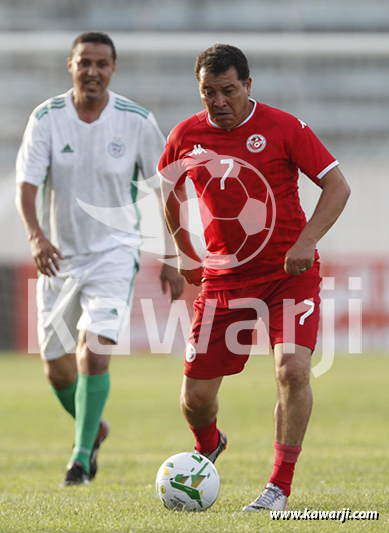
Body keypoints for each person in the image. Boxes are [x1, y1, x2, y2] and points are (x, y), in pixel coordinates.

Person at [158, 44, 350, 510]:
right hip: (224, 281)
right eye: (208, 92)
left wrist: (306, 242)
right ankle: (208, 445)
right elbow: (167, 189)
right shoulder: (186, 135)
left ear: (248, 85)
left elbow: (337, 186)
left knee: (293, 369)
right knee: (195, 398)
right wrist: (182, 251)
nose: (219, 102)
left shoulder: (284, 127)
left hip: (288, 276)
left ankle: (277, 488)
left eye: (228, 90)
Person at [15, 31, 183, 486]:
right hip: (60, 256)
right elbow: (27, 185)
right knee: (56, 367)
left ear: (113, 69)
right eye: (84, 62)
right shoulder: (46, 118)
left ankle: (81, 456)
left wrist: (171, 253)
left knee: (96, 351)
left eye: (102, 64)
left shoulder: (136, 121)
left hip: (115, 249)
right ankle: (95, 426)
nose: (92, 71)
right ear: (70, 65)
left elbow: (160, 190)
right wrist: (36, 237)